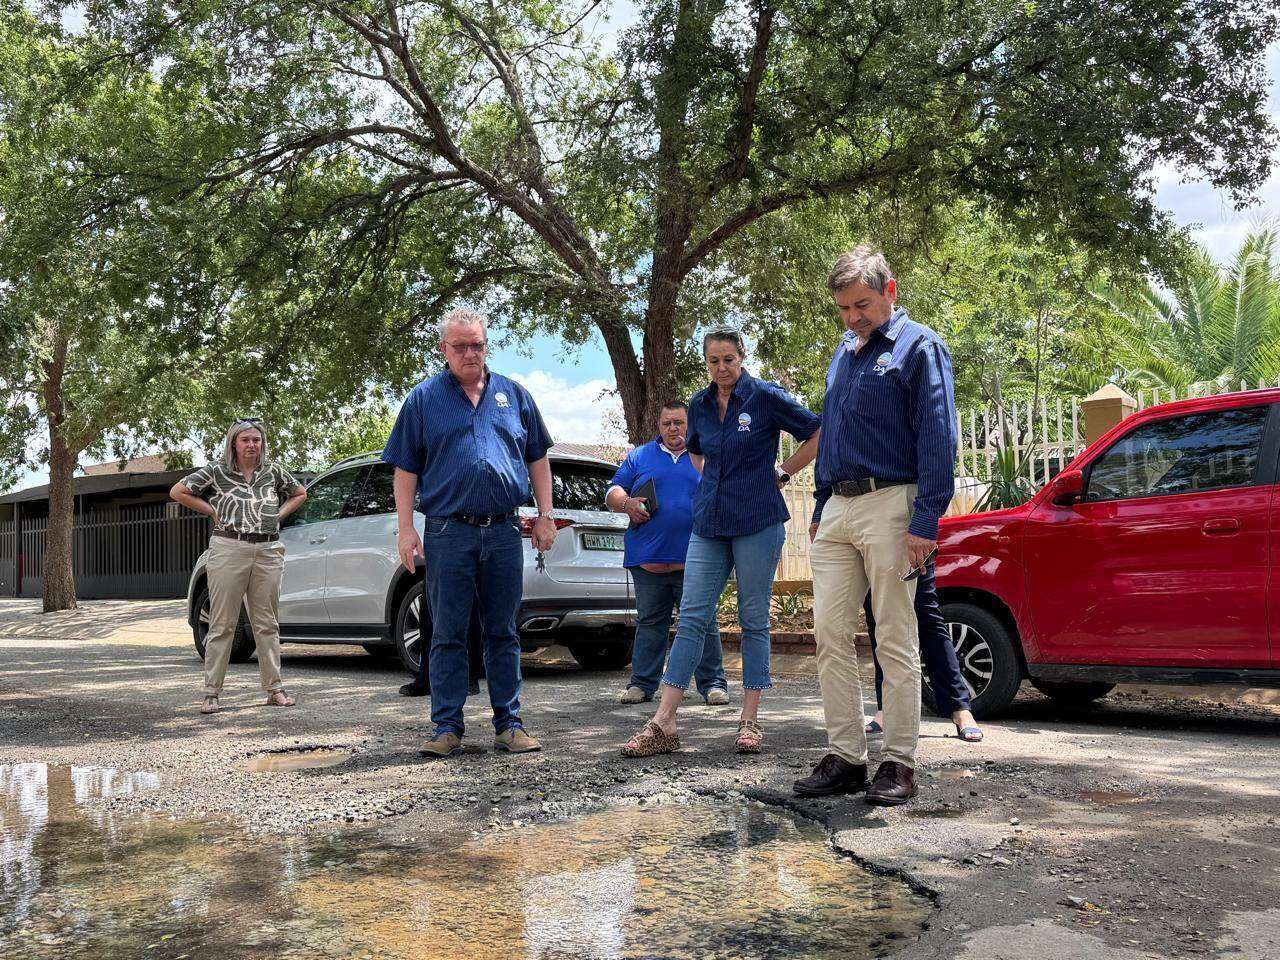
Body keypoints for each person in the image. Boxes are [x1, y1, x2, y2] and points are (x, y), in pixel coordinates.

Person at [794, 244, 957, 806]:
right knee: (830, 633)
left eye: (862, 304)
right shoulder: (844, 353)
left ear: (890, 291)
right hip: (838, 506)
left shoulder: (920, 346)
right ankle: (845, 755)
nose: (853, 316)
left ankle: (899, 761)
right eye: (844, 308)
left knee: (894, 632)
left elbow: (938, 435)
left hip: (894, 503)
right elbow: (833, 433)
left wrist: (925, 519)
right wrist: (820, 507)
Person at [621, 326, 820, 758]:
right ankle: (664, 721)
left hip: (757, 521)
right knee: (692, 615)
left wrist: (783, 472)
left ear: (741, 357)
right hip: (709, 522)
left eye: (728, 359)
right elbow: (695, 451)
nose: (721, 368)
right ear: (707, 362)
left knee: (753, 619)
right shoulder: (699, 404)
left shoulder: (765, 396)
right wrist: (714, 478)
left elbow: (818, 431)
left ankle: (749, 720)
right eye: (713, 361)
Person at [382, 307, 557, 758]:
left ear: (486, 346)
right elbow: (405, 469)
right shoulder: (422, 400)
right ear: (444, 349)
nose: (469, 353)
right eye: (459, 345)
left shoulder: (514, 395)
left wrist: (545, 515)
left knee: (503, 631)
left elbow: (537, 458)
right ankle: (446, 727)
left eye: (477, 344)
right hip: (448, 532)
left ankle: (509, 724)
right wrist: (406, 530)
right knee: (447, 632)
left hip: (502, 531)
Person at [170, 418, 307, 715]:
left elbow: (299, 492)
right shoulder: (217, 471)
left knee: (267, 622)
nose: (252, 445)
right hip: (229, 547)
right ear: (234, 443)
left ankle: (274, 689)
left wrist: (278, 515)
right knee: (223, 622)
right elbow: (178, 491)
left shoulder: (272, 472)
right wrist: (211, 509)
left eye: (256, 440)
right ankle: (212, 693)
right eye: (245, 440)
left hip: (268, 548)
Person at [606, 401, 728, 706]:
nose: (673, 429)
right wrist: (627, 503)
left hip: (698, 559)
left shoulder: (707, 453)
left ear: (691, 423)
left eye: (679, 422)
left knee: (703, 622)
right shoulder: (639, 456)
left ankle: (713, 684)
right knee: (649, 622)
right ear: (659, 427)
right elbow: (612, 492)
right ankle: (642, 684)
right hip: (648, 562)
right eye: (666, 424)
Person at [863, 572, 983, 742]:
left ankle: (959, 707)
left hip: (909, 548)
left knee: (927, 615)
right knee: (878, 618)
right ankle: (887, 709)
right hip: (867, 547)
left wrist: (928, 542)